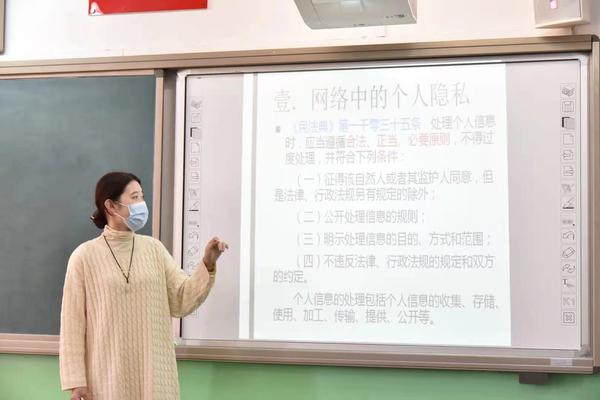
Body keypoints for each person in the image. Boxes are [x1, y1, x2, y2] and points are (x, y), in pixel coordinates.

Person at [59, 171, 227, 400]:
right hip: (107, 376)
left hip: (155, 374)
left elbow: (181, 300)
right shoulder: (84, 257)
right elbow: (72, 324)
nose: (141, 204)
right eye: (134, 197)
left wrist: (207, 263)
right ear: (111, 206)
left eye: (142, 197)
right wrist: (76, 382)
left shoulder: (154, 249)